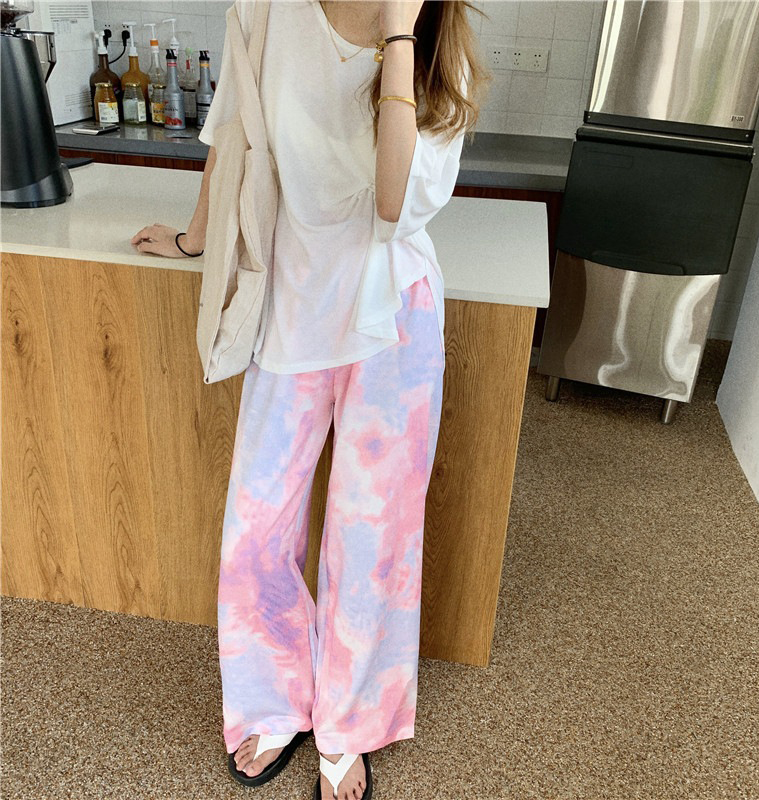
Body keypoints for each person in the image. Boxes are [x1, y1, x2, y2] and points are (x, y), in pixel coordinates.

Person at [131, 1, 488, 797]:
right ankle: (271, 698)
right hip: (291, 303)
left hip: (392, 315)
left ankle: (350, 723)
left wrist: (399, 32)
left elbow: (393, 201)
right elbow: (235, 139)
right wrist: (194, 239)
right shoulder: (265, 12)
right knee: (256, 527)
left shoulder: (438, 45)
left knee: (373, 539)